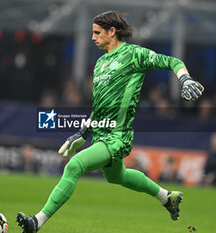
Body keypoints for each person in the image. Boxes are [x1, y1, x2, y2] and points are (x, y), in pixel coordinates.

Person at [17, 11, 204, 232]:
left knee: (74, 166)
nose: (93, 37)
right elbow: (99, 107)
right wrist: (82, 134)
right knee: (118, 176)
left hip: (118, 136)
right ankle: (166, 197)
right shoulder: (100, 64)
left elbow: (173, 61)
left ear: (112, 31)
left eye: (97, 33)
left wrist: (184, 78)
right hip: (101, 134)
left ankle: (36, 222)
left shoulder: (134, 54)